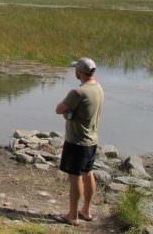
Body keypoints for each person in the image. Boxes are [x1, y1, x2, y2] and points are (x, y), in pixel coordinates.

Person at [53, 57, 104, 226]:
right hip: (92, 140)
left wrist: (68, 109)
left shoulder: (78, 92)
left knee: (75, 178)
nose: (74, 71)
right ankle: (86, 211)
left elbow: (59, 109)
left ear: (79, 72)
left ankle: (72, 216)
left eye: (76, 69)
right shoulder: (98, 87)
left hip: (77, 142)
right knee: (88, 174)